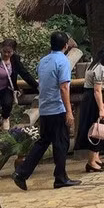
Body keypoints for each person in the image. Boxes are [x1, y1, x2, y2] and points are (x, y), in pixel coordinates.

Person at [12, 32, 81, 190]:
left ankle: (21, 173)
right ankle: (60, 177)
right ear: (65, 46)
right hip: (57, 107)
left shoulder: (43, 61)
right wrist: (69, 111)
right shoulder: (62, 61)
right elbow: (64, 87)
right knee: (62, 142)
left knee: (43, 142)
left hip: (45, 108)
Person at [76, 45, 104, 173]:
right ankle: (91, 161)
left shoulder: (92, 66)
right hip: (92, 98)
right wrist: (101, 108)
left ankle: (96, 157)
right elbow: (97, 90)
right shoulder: (101, 69)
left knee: (95, 126)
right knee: (95, 127)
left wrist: (101, 103)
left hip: (89, 97)